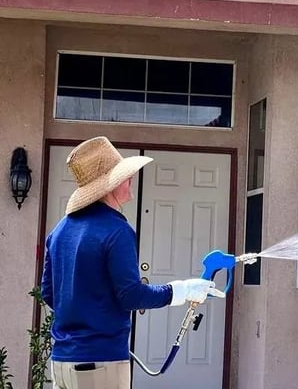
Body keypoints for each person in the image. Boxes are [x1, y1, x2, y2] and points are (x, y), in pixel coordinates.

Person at [41, 136, 224, 389]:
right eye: (126, 177)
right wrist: (181, 290)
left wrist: (87, 308)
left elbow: (49, 294)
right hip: (100, 365)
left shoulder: (59, 231)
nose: (131, 181)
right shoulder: (117, 230)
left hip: (62, 364)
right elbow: (131, 296)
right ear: (111, 186)